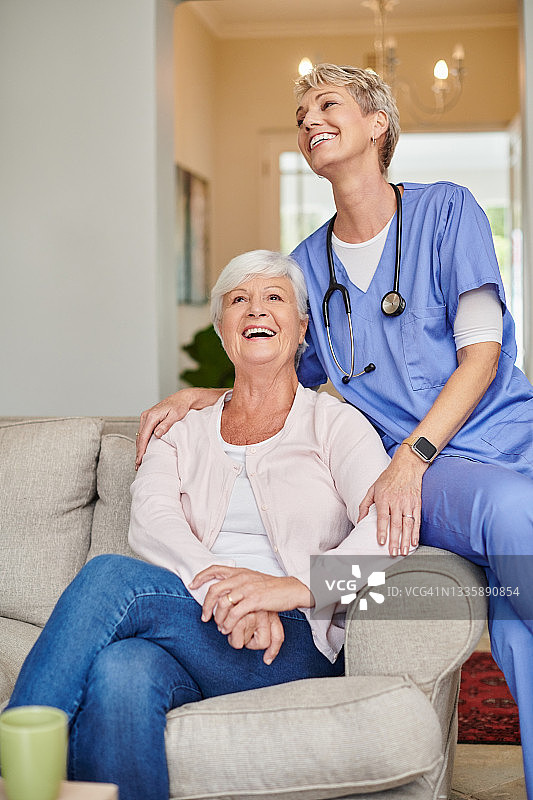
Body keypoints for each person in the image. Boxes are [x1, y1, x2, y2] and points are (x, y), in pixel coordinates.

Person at [135, 65, 533, 798]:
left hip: (503, 440)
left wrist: (412, 452)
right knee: (512, 515)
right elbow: (282, 365)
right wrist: (205, 393)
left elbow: (482, 353)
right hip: (437, 471)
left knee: (516, 634)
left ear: (378, 125)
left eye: (328, 104)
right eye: (299, 113)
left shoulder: (448, 212)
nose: (308, 119)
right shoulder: (306, 266)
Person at [6, 249, 408, 800]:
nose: (256, 310)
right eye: (238, 300)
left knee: (107, 577)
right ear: (223, 331)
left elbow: (389, 530)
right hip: (197, 620)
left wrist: (293, 588)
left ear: (302, 327)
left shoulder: (335, 425)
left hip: (287, 639)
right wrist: (229, 594)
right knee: (121, 673)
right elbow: (152, 523)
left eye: (274, 298)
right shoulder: (181, 429)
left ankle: (18, 770)